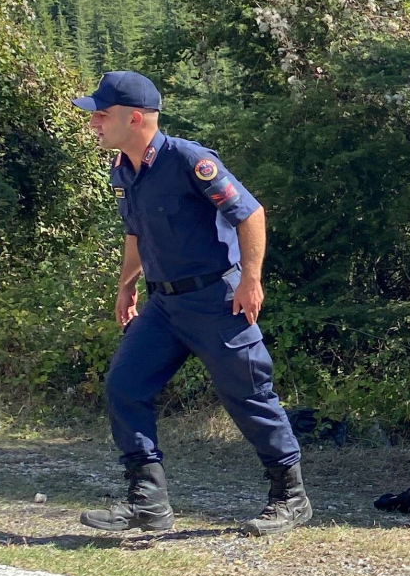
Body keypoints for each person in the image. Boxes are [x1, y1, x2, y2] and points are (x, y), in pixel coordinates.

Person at [73, 71, 312, 537]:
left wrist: (250, 279)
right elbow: (136, 232)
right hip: (164, 306)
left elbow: (250, 213)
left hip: (214, 299)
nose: (93, 123)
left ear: (135, 117)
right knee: (125, 385)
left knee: (249, 395)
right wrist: (127, 285)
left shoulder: (190, 160)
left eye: (101, 115)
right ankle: (148, 503)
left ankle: (291, 498)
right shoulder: (123, 168)